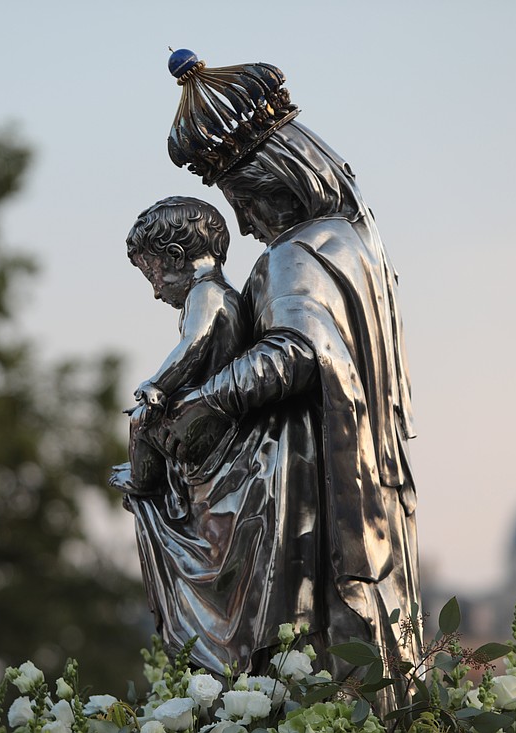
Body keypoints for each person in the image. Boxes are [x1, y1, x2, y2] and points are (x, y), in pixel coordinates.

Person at [124, 51, 421, 703]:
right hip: (371, 492)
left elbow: (297, 349)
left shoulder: (296, 252)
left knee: (307, 669)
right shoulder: (352, 240)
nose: (248, 225)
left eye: (243, 202)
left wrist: (208, 400)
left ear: (272, 178)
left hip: (308, 504)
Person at [110, 196, 249, 515]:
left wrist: (156, 385)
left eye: (154, 277)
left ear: (175, 257)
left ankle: (145, 482)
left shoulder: (207, 293)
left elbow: (192, 346)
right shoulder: (219, 292)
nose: (156, 292)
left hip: (208, 419)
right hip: (212, 412)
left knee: (141, 420)